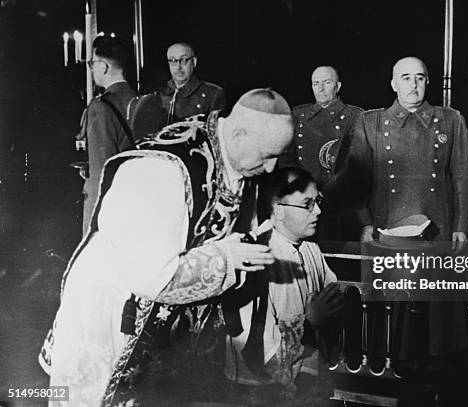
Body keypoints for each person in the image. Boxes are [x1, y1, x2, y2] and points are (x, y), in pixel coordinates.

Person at [41, 89, 294, 406]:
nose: (271, 169)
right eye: (267, 155)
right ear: (240, 133)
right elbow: (154, 278)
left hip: (159, 329)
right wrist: (228, 258)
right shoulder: (163, 170)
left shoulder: (232, 153)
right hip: (112, 314)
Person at [224, 166, 342, 404]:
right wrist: (310, 323)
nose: (318, 210)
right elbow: (258, 353)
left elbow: (332, 298)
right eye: (307, 204)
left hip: (306, 381)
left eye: (317, 201)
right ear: (278, 211)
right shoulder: (256, 256)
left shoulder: (311, 248)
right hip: (260, 391)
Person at [344, 56, 468, 250]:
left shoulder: (451, 120)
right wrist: (365, 223)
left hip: (438, 227)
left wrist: (461, 226)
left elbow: (462, 178)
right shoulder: (370, 122)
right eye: (406, 78)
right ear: (394, 84)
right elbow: (357, 180)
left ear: (427, 82)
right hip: (387, 226)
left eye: (419, 78)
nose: (413, 84)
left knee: (435, 278)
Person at [287, 66, 363, 240]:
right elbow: (287, 158)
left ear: (338, 86)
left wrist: (328, 191)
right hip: (302, 200)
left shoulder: (355, 116)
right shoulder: (298, 114)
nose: (320, 89)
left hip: (339, 200)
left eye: (327, 82)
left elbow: (356, 164)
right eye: (316, 83)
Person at [82, 34, 137, 235]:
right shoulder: (142, 100)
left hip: (109, 212)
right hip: (136, 204)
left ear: (104, 67)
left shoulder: (100, 107)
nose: (92, 68)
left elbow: (100, 173)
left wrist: (92, 228)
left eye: (92, 63)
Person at [157, 42, 226, 125]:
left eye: (184, 60)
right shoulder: (158, 93)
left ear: (194, 62)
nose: (178, 67)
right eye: (173, 61)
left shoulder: (213, 94)